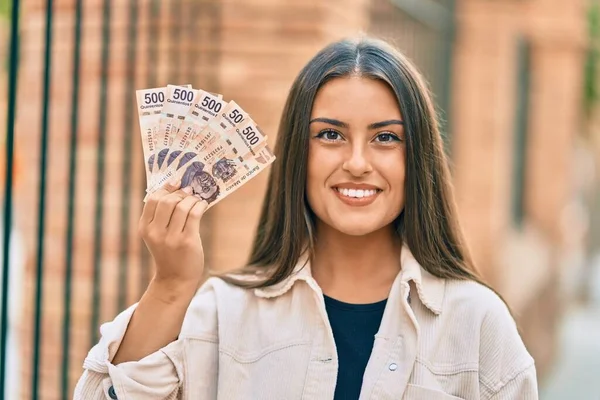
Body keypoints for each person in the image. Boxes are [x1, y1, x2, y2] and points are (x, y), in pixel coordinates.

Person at [74, 36, 538, 399]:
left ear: (418, 158)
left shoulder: (477, 324)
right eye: (331, 135)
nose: (357, 161)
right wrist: (172, 285)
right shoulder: (223, 313)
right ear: (300, 150)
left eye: (386, 138)